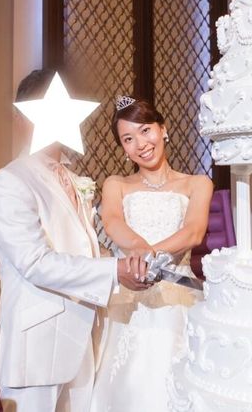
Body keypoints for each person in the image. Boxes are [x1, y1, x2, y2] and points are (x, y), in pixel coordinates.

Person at [0, 70, 151, 412]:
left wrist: (125, 266)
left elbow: (85, 249)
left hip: (83, 338)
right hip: (36, 347)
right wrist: (114, 270)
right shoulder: (9, 182)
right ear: (21, 118)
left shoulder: (75, 180)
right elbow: (35, 263)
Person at [90, 96, 213, 412]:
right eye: (128, 139)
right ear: (123, 148)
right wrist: (141, 251)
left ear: (163, 129)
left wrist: (152, 257)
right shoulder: (116, 184)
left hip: (178, 297)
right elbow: (113, 222)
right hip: (130, 296)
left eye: (145, 130)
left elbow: (193, 232)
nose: (141, 144)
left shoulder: (197, 183)